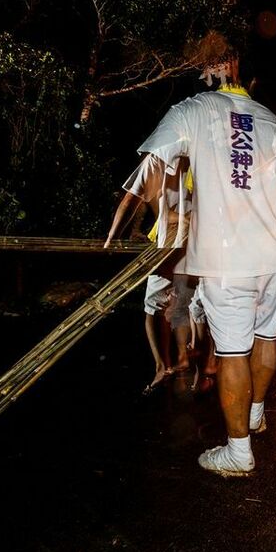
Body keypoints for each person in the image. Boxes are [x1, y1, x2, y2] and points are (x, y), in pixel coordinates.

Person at [144, 57, 276, 476]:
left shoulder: (192, 110)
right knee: (266, 337)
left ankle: (238, 452)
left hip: (227, 260)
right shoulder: (273, 122)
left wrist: (166, 214)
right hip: (274, 255)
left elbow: (150, 170)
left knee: (233, 353)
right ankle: (254, 415)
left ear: (210, 73)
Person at [105, 150, 194, 392]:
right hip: (169, 245)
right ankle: (164, 366)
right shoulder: (159, 164)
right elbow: (142, 202)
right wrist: (123, 234)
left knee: (187, 308)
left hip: (190, 248)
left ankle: (197, 366)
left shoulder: (197, 161)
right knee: (157, 307)